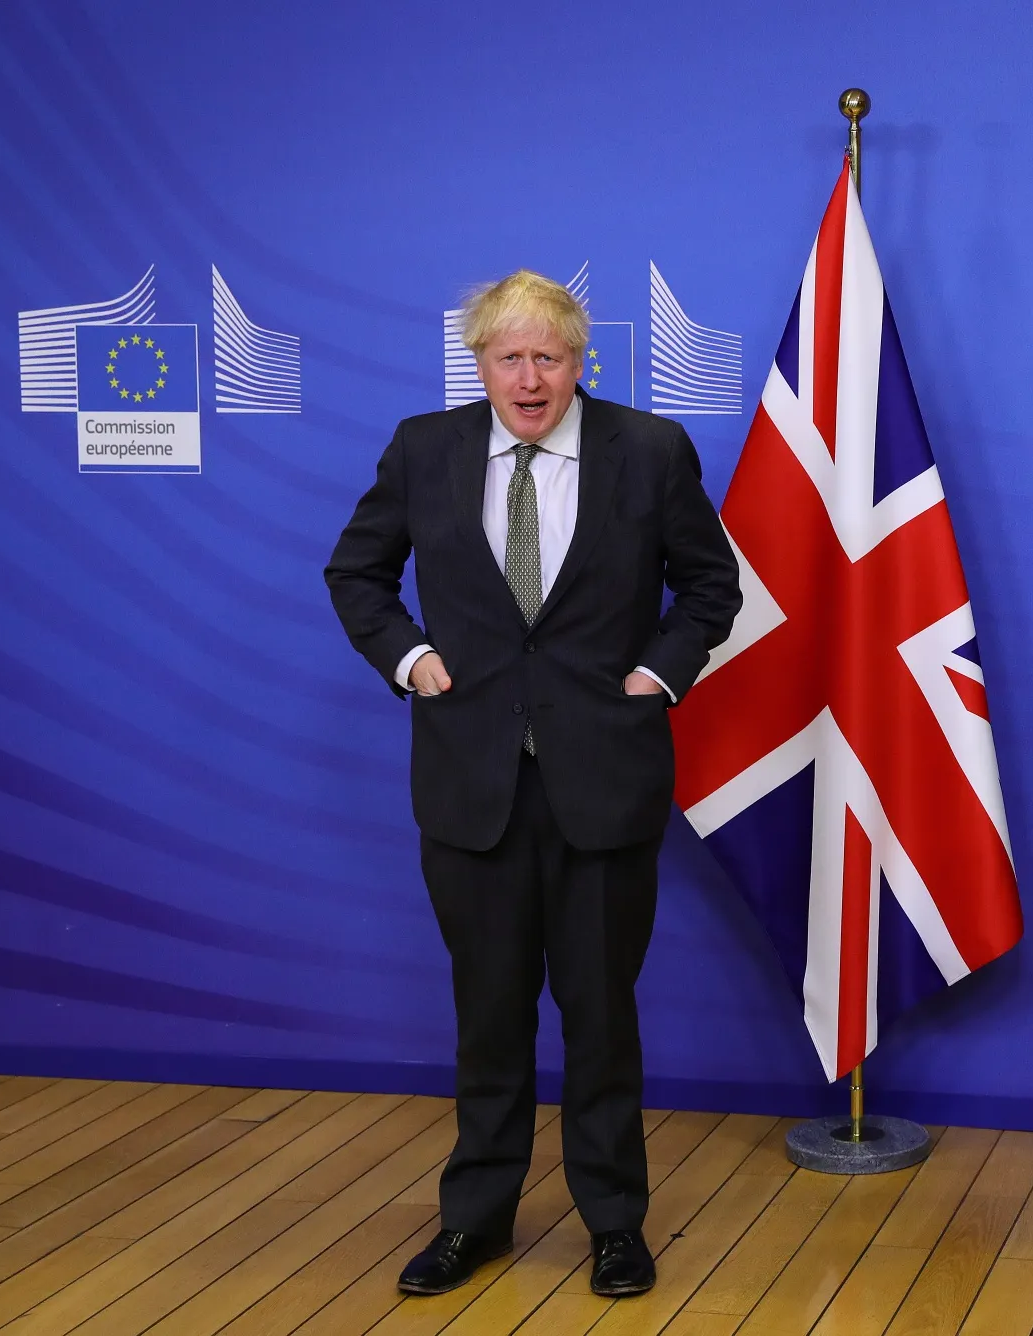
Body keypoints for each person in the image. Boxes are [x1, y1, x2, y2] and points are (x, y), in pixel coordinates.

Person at [325, 270, 740, 1299]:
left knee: (600, 1014)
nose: (528, 376)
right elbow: (357, 574)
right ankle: (475, 1220)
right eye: (507, 357)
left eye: (547, 357)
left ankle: (612, 1224)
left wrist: (657, 673)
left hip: (603, 779)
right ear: (477, 365)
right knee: (489, 1013)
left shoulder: (648, 451)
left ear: (578, 362)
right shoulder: (426, 448)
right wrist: (409, 658)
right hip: (470, 785)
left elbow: (709, 585)